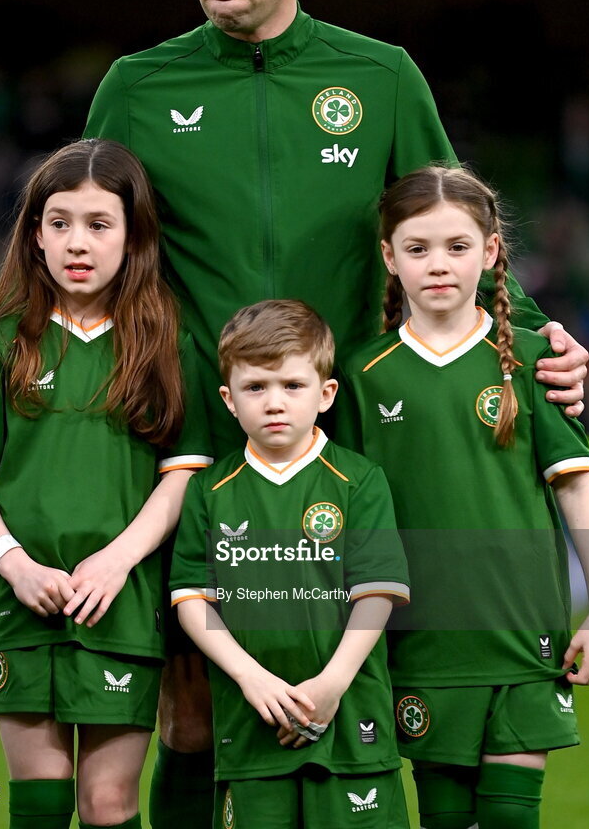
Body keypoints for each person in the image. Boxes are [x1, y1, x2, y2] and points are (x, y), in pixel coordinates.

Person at [0, 0, 589, 829]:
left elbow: (449, 229)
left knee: (384, 701)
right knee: (195, 720)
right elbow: (75, 223)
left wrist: (536, 343)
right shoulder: (139, 85)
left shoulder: (380, 77)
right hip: (194, 446)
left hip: (357, 441)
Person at [0, 139, 212, 829]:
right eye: (59, 223)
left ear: (133, 236)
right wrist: (15, 563)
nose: (77, 242)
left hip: (120, 599)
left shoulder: (165, 339)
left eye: (99, 224)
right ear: (34, 236)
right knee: (40, 796)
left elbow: (182, 474)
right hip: (22, 598)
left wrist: (119, 560)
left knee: (108, 802)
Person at [337, 165, 589, 829]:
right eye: (417, 248)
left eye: (457, 247)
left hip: (522, 636)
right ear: (388, 257)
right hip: (421, 643)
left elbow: (577, 487)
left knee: (511, 819)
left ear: (489, 252)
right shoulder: (361, 374)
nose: (438, 265)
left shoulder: (528, 360)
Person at [171, 299, 410, 829]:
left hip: (349, 719)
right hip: (251, 720)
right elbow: (192, 599)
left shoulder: (359, 479)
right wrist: (250, 678)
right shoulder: (209, 490)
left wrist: (331, 684)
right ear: (229, 400)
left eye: (292, 386)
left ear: (326, 394)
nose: (274, 402)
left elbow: (377, 592)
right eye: (256, 388)